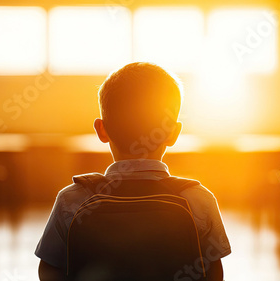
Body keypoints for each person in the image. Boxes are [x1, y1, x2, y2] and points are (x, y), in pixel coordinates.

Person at [36, 62, 231, 280]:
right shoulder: (199, 200)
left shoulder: (71, 200)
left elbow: (49, 269)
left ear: (101, 130)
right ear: (173, 134)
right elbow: (214, 272)